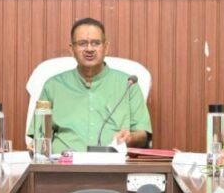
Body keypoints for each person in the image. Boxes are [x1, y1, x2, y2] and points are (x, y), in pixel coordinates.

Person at [30, 18, 152, 152]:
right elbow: (38, 135)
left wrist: (130, 138)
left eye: (96, 43)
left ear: (106, 47)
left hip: (112, 162)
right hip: (64, 162)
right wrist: (36, 146)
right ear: (72, 49)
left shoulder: (128, 84)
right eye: (82, 43)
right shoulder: (53, 86)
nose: (89, 49)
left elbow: (143, 135)